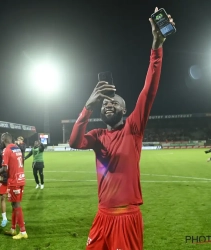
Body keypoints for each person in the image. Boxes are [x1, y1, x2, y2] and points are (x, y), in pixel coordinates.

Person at [69, 8, 174, 250]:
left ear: (124, 111)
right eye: (105, 102)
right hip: (102, 215)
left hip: (127, 217)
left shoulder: (133, 129)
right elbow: (74, 142)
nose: (109, 104)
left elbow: (149, 91)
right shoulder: (97, 136)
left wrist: (156, 47)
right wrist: (87, 107)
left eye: (115, 102)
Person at [0, 132, 28, 240]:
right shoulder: (17, 148)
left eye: (1, 139)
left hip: (14, 181)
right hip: (21, 178)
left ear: (3, 139)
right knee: (14, 205)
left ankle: (23, 231)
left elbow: (4, 168)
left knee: (16, 205)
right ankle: (13, 229)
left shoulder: (7, 150)